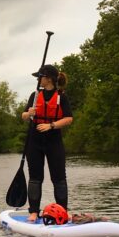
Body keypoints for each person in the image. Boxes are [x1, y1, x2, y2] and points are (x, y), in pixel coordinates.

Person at [22, 64, 73, 222]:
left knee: (59, 178)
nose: (38, 80)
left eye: (40, 77)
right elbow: (23, 116)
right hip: (34, 142)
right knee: (35, 178)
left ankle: (63, 211)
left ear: (48, 79)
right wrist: (28, 113)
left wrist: (51, 125)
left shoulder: (61, 96)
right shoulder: (35, 95)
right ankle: (34, 212)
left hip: (54, 142)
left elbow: (69, 118)